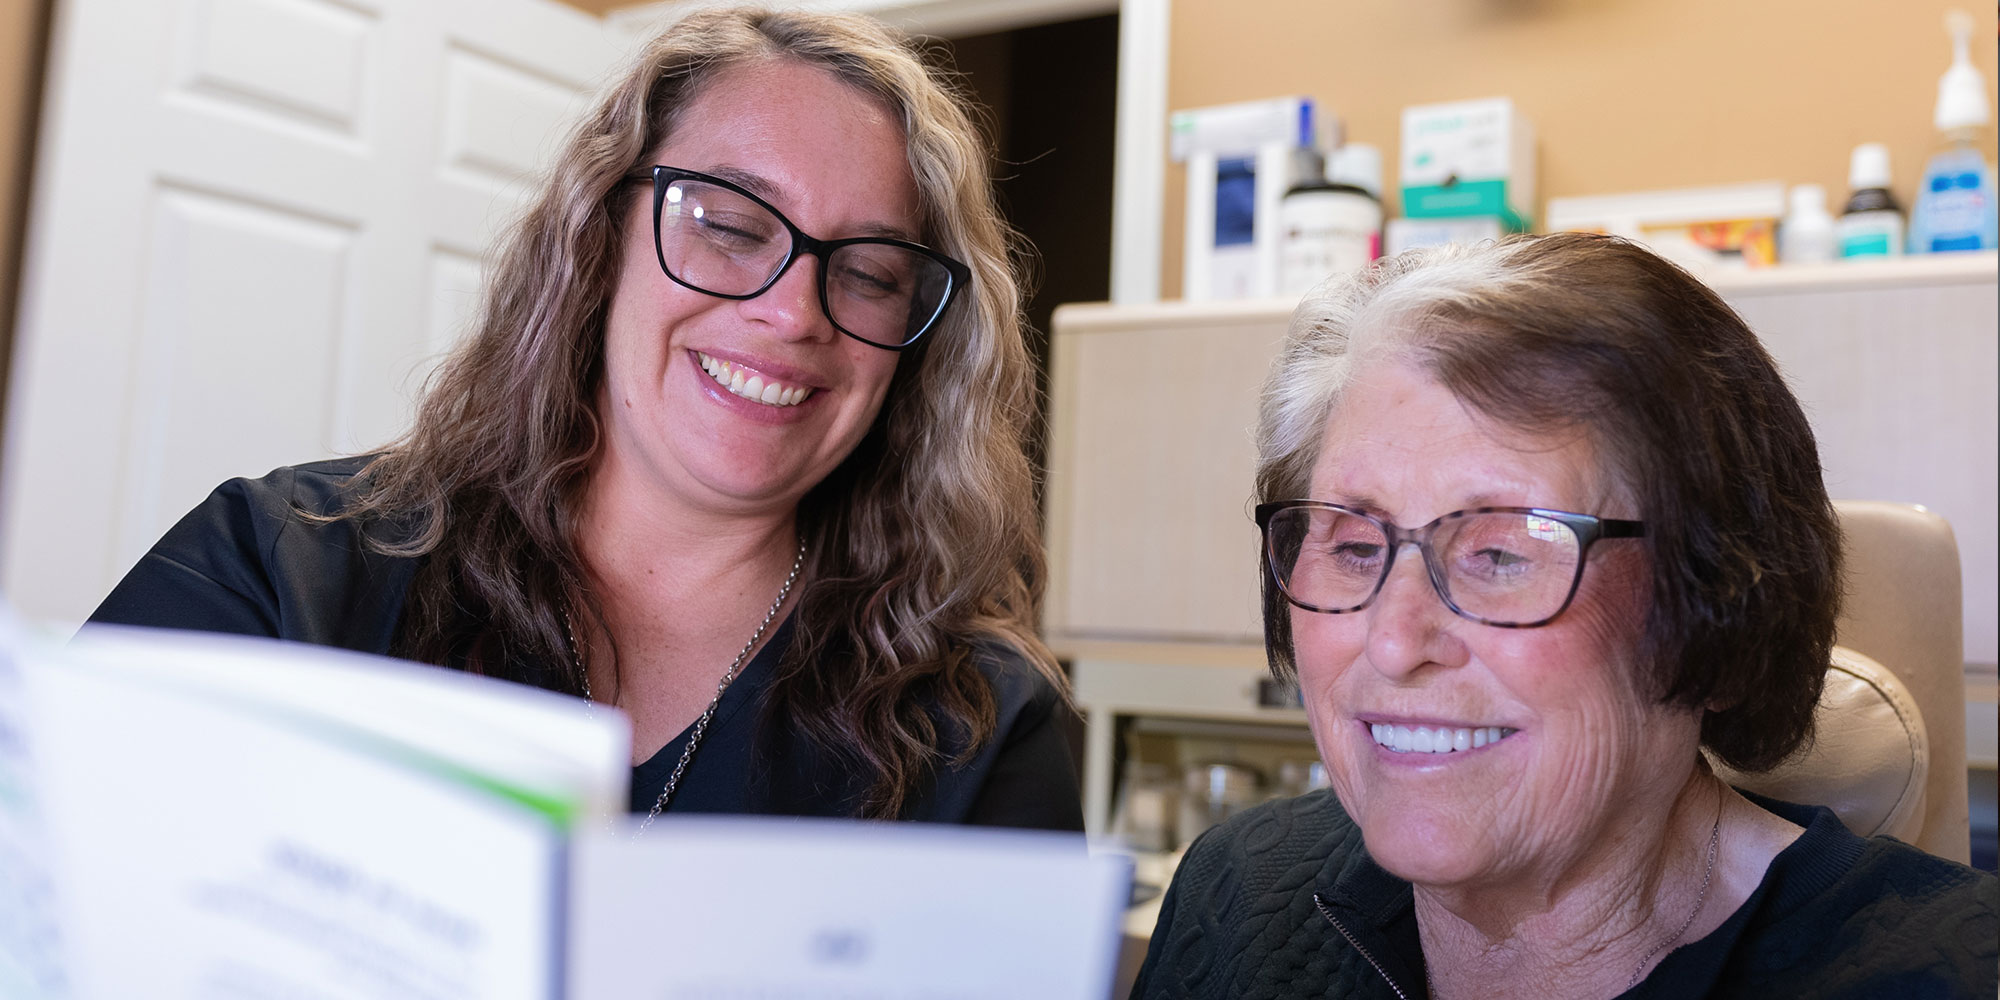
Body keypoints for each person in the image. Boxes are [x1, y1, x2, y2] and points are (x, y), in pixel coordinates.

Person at [88, 8, 1081, 831]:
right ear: (599, 235)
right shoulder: (276, 573)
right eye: (730, 226)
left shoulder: (978, 726)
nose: (789, 312)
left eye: (868, 273)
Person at [1131, 233, 1997, 998]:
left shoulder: (1951, 973)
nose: (1393, 641)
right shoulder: (1239, 895)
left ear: (1724, 611)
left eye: (1502, 552)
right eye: (1355, 546)